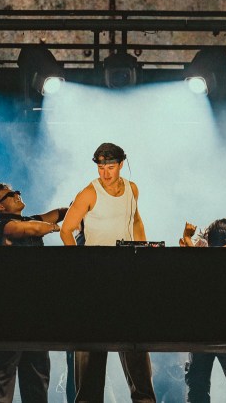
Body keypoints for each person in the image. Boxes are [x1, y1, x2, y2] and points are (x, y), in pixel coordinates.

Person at [59, 142, 155, 403]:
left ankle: (144, 399)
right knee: (91, 344)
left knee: (134, 343)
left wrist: (143, 254)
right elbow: (66, 230)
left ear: (121, 164)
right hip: (95, 279)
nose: (105, 172)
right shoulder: (89, 193)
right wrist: (80, 264)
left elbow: (135, 220)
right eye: (101, 166)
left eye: (110, 166)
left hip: (126, 276)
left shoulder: (132, 189)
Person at [0, 183, 68, 403]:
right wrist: (59, 228)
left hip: (36, 313)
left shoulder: (28, 219)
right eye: (11, 194)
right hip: (10, 315)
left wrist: (77, 207)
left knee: (37, 378)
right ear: (0, 207)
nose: (17, 194)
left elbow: (56, 214)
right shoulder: (4, 227)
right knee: (3, 376)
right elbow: (33, 229)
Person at [178, 219, 226, 403]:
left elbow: (202, 268)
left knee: (198, 385)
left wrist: (189, 240)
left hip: (207, 328)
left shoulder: (225, 252)